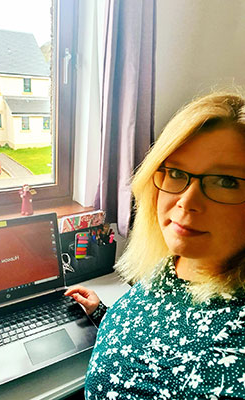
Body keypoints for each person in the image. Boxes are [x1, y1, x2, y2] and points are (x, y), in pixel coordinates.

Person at [65, 92, 245, 399]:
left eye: (226, 181)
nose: (186, 202)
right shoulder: (176, 261)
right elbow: (158, 324)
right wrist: (105, 314)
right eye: (176, 173)